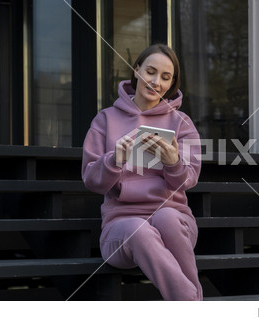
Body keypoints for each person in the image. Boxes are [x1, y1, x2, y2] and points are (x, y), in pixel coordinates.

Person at [81, 44, 203, 301]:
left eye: (165, 77)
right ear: (136, 71)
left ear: (171, 84)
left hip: (175, 224)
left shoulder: (182, 123)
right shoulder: (105, 120)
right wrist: (114, 160)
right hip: (121, 227)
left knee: (167, 217)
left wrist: (174, 163)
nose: (156, 82)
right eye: (150, 71)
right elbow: (91, 179)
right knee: (139, 229)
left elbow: (190, 179)